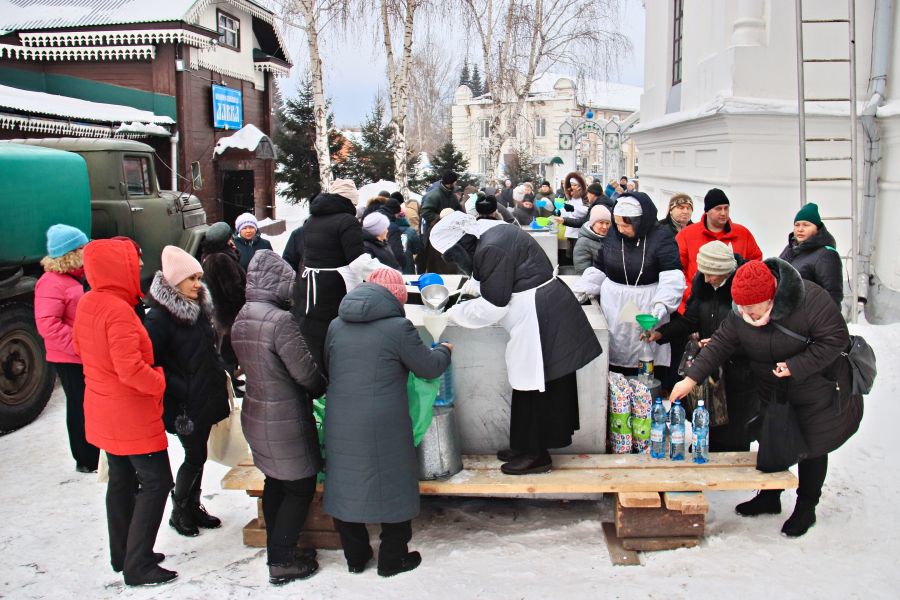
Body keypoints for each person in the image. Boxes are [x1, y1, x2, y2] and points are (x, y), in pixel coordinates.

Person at [669, 259, 863, 537]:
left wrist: (796, 366)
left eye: (752, 308)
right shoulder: (740, 311)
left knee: (813, 446)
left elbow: (835, 339)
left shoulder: (810, 300)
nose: (745, 313)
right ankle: (770, 497)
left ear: (772, 295)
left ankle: (806, 507)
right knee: (772, 439)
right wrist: (690, 378)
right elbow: (722, 343)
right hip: (772, 388)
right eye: (741, 308)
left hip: (815, 389)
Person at [431, 212, 602, 475]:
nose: (454, 261)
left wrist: (454, 314)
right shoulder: (492, 232)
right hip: (541, 307)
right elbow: (495, 277)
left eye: (452, 255)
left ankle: (537, 454)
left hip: (538, 313)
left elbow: (493, 306)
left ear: (461, 243)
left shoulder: (490, 247)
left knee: (535, 384)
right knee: (528, 382)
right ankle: (524, 444)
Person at [323, 268, 452, 576]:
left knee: (346, 482)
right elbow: (428, 368)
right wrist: (444, 351)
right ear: (396, 297)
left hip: (341, 416)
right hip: (384, 420)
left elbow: (330, 366)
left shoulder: (336, 325)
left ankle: (355, 557)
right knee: (393, 484)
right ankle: (393, 559)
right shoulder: (399, 327)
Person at [73, 239, 175, 586]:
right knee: (157, 482)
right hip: (130, 414)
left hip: (103, 408)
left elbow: (80, 348)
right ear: (121, 267)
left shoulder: (89, 302)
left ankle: (124, 552)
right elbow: (131, 369)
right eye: (133, 262)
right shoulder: (117, 310)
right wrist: (160, 380)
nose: (138, 267)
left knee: (121, 480)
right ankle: (139, 564)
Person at [232, 250, 327, 585]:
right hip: (284, 416)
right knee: (300, 486)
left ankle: (279, 548)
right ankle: (282, 561)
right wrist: (321, 385)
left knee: (276, 480)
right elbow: (305, 373)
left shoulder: (244, 315)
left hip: (257, 411)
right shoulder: (279, 321)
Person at [144, 246, 230, 538]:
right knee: (194, 455)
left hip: (203, 394)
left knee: (199, 455)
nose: (197, 283)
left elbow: (207, 349)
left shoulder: (198, 307)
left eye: (198, 277)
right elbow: (152, 361)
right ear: (173, 281)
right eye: (191, 278)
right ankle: (179, 510)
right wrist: (180, 386)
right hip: (183, 402)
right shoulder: (159, 318)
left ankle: (193, 506)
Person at [647, 241, 757, 450]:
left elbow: (752, 333)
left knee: (734, 429)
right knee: (707, 419)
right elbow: (689, 320)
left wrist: (722, 343)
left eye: (711, 274)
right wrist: (661, 333)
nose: (705, 279)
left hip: (739, 372)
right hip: (710, 368)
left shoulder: (742, 291)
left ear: (725, 271)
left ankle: (729, 473)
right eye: (703, 273)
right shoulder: (704, 286)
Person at [571, 193, 684, 375]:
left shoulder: (661, 237)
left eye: (626, 224)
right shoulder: (613, 235)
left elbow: (671, 276)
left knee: (644, 347)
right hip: (614, 304)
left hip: (647, 302)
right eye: (617, 224)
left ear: (640, 221)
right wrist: (580, 290)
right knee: (617, 345)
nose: (620, 229)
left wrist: (662, 304)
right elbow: (600, 268)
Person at [292, 179, 388, 367]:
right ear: (350, 201)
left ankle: (317, 380)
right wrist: (387, 274)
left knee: (315, 334)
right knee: (339, 334)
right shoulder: (347, 221)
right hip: (335, 286)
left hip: (310, 286)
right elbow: (358, 261)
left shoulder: (312, 220)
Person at [34, 224, 98, 473]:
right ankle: (85, 458)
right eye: (83, 246)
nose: (87, 250)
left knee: (88, 404)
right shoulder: (51, 283)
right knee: (78, 405)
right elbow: (48, 325)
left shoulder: (75, 277)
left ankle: (93, 450)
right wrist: (81, 345)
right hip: (69, 356)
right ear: (71, 251)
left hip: (82, 354)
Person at [676, 188, 762, 308]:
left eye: (726, 208)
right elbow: (677, 271)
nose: (723, 213)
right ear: (707, 211)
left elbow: (755, 265)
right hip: (696, 304)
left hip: (731, 306)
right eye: (718, 209)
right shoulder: (686, 235)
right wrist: (693, 294)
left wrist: (743, 292)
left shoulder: (743, 233)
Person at [200, 222, 246, 378]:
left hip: (220, 312)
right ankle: (230, 381)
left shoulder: (209, 256)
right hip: (229, 314)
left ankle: (231, 377)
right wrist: (244, 302)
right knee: (229, 351)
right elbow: (233, 289)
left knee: (227, 348)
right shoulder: (221, 259)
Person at [778, 202, 843, 306]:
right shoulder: (791, 248)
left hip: (809, 317)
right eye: (797, 225)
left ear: (817, 228)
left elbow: (833, 296)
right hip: (788, 316)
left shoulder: (826, 254)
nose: (800, 229)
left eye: (806, 225)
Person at [418, 171, 462, 273]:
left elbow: (459, 211)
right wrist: (441, 218)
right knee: (435, 261)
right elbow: (425, 211)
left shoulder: (452, 195)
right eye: (455, 182)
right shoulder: (434, 195)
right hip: (435, 234)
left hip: (450, 234)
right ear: (452, 182)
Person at [552, 172, 590, 260]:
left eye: (575, 185)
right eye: (571, 185)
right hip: (570, 230)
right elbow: (568, 211)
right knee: (570, 255)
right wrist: (559, 212)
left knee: (579, 255)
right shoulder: (572, 196)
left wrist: (573, 209)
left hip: (580, 231)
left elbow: (586, 211)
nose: (572, 187)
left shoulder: (586, 196)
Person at [572, 204, 611, 275]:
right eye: (601, 223)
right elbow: (582, 270)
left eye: (607, 223)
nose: (605, 227)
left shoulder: (611, 238)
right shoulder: (583, 242)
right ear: (593, 224)